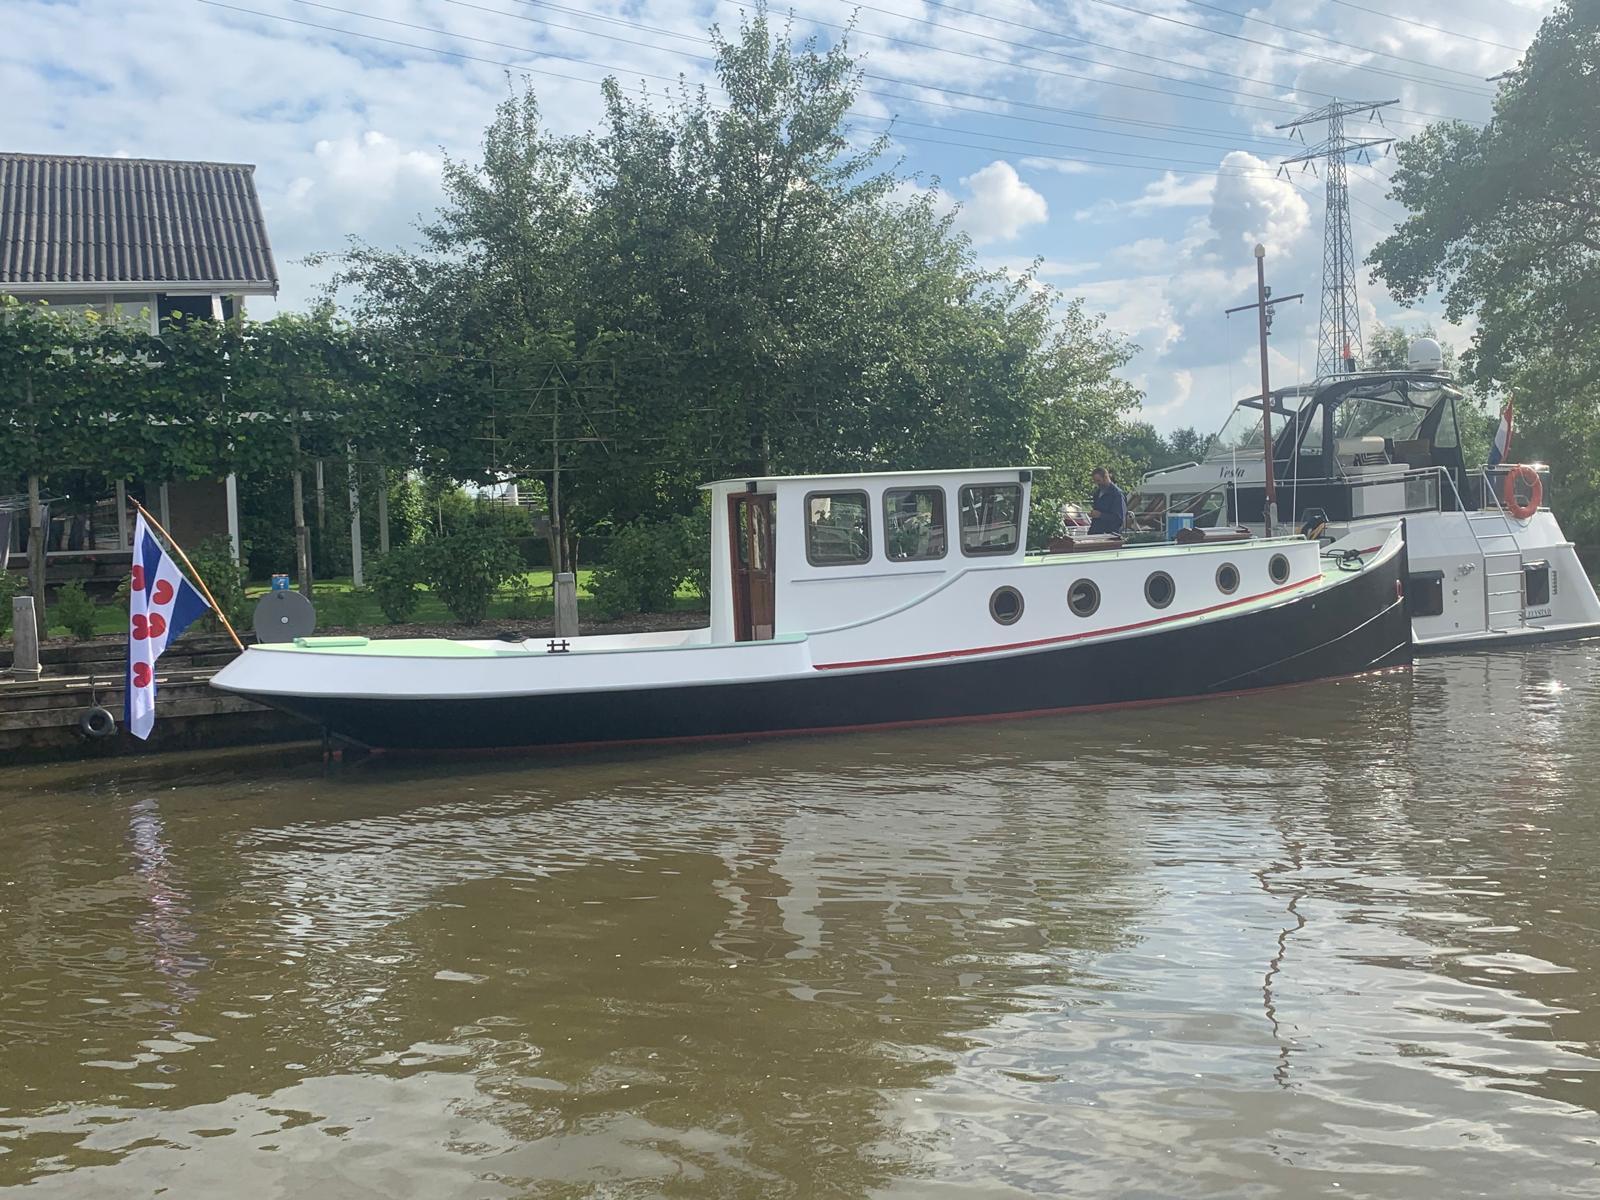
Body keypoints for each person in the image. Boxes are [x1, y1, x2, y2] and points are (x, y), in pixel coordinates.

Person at [1087, 467, 1126, 536]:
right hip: (1095, 532)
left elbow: (1119, 518)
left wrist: (1100, 515)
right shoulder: (1097, 493)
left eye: (1098, 481)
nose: (1097, 483)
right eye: (1095, 481)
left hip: (1110, 534)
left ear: (1105, 478)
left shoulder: (1117, 494)